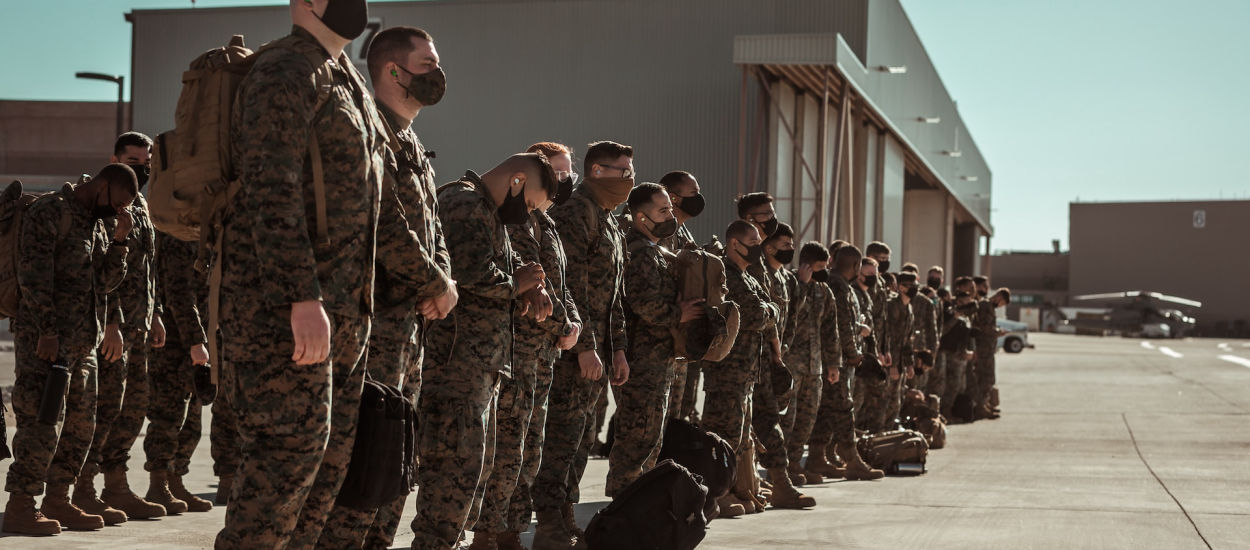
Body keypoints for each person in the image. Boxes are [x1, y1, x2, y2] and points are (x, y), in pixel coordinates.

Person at [214, 0, 390, 546]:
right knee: (282, 470)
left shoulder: (348, 80)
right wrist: (300, 297)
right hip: (286, 315)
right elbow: (270, 186)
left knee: (325, 474)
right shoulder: (284, 69)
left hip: (344, 312)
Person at [316, 24, 459, 550]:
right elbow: (384, 223)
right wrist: (435, 281)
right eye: (427, 63)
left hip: (409, 327)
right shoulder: (370, 130)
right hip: (371, 325)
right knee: (366, 456)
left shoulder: (410, 138)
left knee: (397, 456)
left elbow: (432, 224)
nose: (437, 74)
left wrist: (443, 278)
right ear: (392, 71)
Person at [409, 154, 555, 550]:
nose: (525, 215)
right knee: (452, 472)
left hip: (480, 367)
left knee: (473, 470)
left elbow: (490, 281)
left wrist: (519, 296)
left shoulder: (489, 212)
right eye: (528, 204)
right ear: (517, 179)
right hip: (456, 364)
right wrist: (516, 283)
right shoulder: (465, 203)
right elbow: (471, 272)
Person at [3, 164, 136, 535]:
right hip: (46, 343)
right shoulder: (50, 211)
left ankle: (59, 500)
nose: (119, 210)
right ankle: (21, 505)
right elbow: (34, 274)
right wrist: (47, 330)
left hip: (83, 345)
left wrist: (121, 241)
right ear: (102, 186)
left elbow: (105, 285)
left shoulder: (98, 223)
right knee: (41, 424)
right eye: (119, 202)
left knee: (80, 427)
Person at [472, 142, 580, 550]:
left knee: (529, 447)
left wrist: (573, 322)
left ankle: (511, 529)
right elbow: (522, 282)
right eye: (555, 172)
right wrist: (560, 320)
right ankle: (487, 531)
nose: (562, 181)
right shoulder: (511, 217)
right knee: (504, 447)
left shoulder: (547, 223)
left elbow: (558, 281)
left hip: (543, 354)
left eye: (568, 174)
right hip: (515, 349)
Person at [533, 141, 633, 550]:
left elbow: (613, 294)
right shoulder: (577, 211)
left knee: (579, 442)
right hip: (575, 351)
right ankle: (549, 524)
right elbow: (571, 286)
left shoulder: (606, 217)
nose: (629, 177)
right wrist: (586, 347)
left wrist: (619, 349)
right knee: (561, 439)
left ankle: (565, 516)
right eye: (621, 170)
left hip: (599, 352)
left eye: (631, 169)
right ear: (596, 171)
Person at [69, 132, 169, 525]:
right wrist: (110, 323)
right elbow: (99, 269)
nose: (140, 169)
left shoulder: (140, 204)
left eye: (146, 163)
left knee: (134, 408)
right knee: (104, 410)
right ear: (113, 158)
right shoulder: (105, 200)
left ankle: (116, 484)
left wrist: (156, 312)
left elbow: (146, 266)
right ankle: (83, 489)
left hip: (139, 324)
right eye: (132, 160)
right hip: (113, 327)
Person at [605, 183, 701, 497]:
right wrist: (679, 314)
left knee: (650, 440)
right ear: (641, 217)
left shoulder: (654, 250)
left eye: (669, 209)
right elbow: (642, 303)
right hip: (641, 361)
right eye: (662, 211)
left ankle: (637, 508)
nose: (670, 215)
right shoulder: (640, 252)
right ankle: (623, 511)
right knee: (638, 441)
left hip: (656, 360)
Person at [703, 221, 778, 516]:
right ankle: (714, 495)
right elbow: (758, 315)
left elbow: (767, 308)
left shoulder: (746, 276)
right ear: (734, 243)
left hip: (744, 371)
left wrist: (768, 310)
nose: (758, 246)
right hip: (727, 371)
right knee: (723, 434)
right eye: (752, 240)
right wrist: (770, 311)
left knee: (739, 434)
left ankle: (734, 488)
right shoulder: (727, 274)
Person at [806, 245, 884, 481]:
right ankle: (852, 460)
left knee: (828, 410)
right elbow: (841, 327)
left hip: (835, 359)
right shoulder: (839, 287)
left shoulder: (840, 285)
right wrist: (852, 354)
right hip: (837, 360)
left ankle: (817, 457)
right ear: (856, 266)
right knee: (843, 408)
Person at [780, 242, 834, 484]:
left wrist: (833, 364)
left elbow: (831, 330)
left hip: (815, 367)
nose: (823, 272)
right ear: (805, 265)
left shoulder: (825, 291)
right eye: (819, 267)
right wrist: (801, 284)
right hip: (791, 364)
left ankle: (794, 465)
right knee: (786, 420)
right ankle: (779, 469)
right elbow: (788, 313)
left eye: (826, 267)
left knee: (807, 418)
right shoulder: (789, 283)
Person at [657, 171, 703, 422]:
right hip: (660, 338)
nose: (699, 199)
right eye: (693, 193)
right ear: (673, 198)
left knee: (672, 419)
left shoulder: (684, 234)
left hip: (679, 340)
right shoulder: (661, 233)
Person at [877, 272, 917, 431]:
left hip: (900, 363)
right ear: (901, 287)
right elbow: (888, 336)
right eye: (910, 285)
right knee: (884, 401)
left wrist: (909, 364)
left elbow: (907, 340)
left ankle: (889, 433)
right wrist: (892, 364)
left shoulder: (909, 308)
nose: (914, 288)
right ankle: (878, 435)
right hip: (889, 362)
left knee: (896, 401)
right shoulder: (892, 305)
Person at [971, 289, 1011, 419]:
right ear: (999, 297)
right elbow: (985, 327)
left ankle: (983, 404)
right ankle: (980, 406)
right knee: (986, 378)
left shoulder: (987, 305)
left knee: (987, 377)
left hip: (986, 348)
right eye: (1002, 303)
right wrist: (999, 332)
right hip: (983, 348)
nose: (1000, 306)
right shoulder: (985, 305)